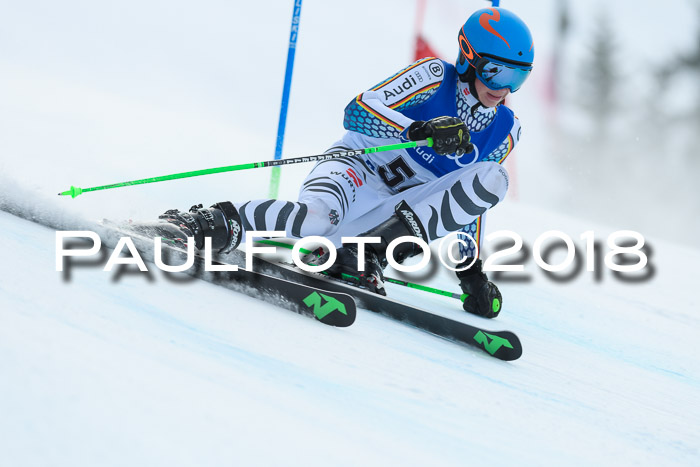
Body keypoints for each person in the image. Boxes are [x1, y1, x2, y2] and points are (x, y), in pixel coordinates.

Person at [149, 6, 534, 318]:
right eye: (495, 71)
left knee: (494, 177)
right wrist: (415, 129)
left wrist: (471, 272)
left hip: (390, 218)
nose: (503, 88)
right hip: (355, 170)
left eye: (518, 78)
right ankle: (213, 221)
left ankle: (365, 254)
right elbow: (356, 111)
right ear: (468, 58)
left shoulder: (506, 129)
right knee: (316, 218)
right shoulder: (433, 75)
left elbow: (473, 200)